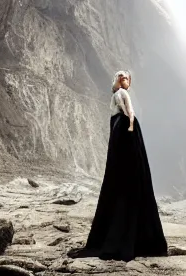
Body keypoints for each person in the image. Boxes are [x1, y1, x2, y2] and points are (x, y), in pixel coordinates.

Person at [69, 70, 168, 262]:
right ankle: (133, 237)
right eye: (123, 78)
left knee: (123, 176)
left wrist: (130, 126)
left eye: (126, 78)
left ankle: (121, 236)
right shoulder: (120, 94)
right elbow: (129, 113)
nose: (125, 81)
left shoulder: (120, 95)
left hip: (124, 131)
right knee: (128, 176)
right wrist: (129, 126)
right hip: (123, 131)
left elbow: (130, 112)